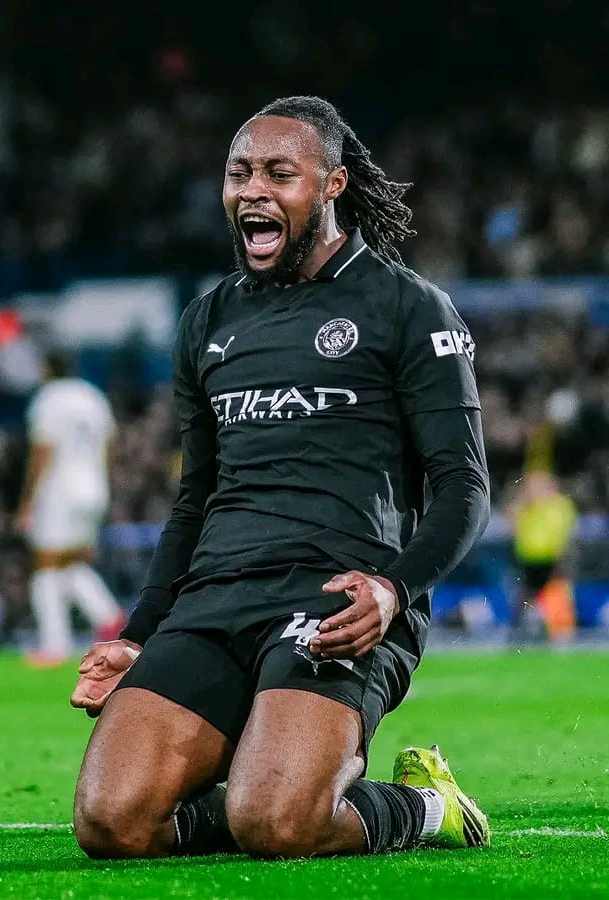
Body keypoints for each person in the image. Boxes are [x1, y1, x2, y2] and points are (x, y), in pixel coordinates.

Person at [70, 95, 491, 859]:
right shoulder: (207, 320)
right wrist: (137, 635)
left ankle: (428, 807)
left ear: (332, 186)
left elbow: (465, 486)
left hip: (335, 598)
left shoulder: (408, 307)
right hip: (214, 600)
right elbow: (195, 500)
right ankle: (256, 784)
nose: (253, 190)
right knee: (112, 823)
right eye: (239, 174)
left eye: (278, 173)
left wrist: (393, 589)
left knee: (279, 825)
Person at [15, 350, 125, 666]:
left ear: (47, 368)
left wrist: (27, 499)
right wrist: (103, 482)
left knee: (46, 563)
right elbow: (110, 443)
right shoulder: (93, 396)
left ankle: (54, 644)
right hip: (94, 487)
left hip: (60, 488)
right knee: (72, 560)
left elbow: (42, 449)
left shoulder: (49, 398)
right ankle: (109, 616)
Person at [507, 469, 577, 643]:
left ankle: (562, 633)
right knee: (525, 597)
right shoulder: (526, 506)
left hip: (553, 558)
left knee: (558, 595)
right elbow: (514, 525)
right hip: (529, 559)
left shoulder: (559, 505)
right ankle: (519, 633)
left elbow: (562, 530)